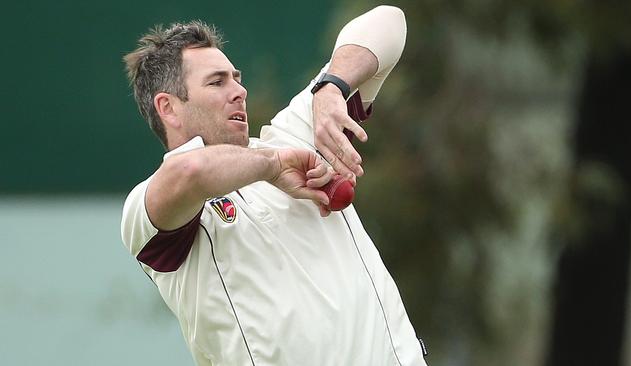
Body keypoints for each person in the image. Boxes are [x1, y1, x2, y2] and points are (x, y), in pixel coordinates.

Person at [121, 5, 427, 366]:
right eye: (217, 82)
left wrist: (332, 87)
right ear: (168, 108)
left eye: (237, 78)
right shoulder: (149, 206)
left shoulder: (291, 136)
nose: (240, 91)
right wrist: (273, 166)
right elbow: (190, 171)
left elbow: (390, 23)